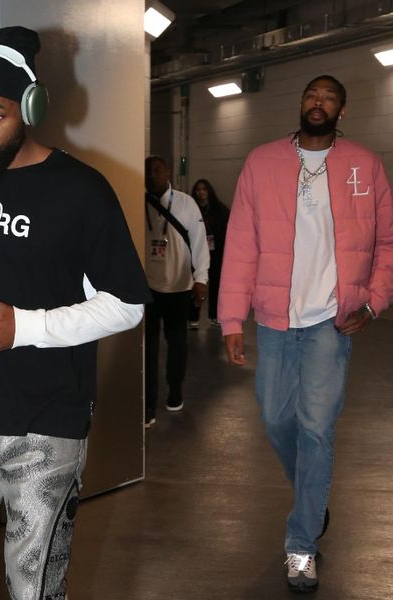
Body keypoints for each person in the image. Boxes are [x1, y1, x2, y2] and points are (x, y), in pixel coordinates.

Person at [0, 26, 151, 600]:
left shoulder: (81, 191)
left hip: (49, 418)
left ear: (30, 106)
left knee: (34, 586)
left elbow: (126, 304)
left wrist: (25, 327)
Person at [219, 75, 393, 593]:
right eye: (311, 95)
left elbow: (388, 241)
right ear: (301, 104)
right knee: (275, 419)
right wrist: (232, 318)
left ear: (342, 110)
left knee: (317, 429)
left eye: (329, 97)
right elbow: (241, 244)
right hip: (274, 319)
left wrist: (374, 300)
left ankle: (301, 544)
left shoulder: (365, 166)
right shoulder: (261, 161)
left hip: (329, 322)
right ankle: (313, 500)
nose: (318, 102)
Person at [144, 156, 209, 426]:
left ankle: (175, 389)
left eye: (156, 170)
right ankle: (147, 405)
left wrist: (201, 279)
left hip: (179, 286)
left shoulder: (185, 203)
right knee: (147, 347)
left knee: (177, 343)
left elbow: (199, 242)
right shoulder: (138, 202)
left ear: (168, 172)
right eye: (148, 171)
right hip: (147, 286)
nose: (151, 175)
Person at [187, 179, 230, 329]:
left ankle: (215, 315)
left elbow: (228, 227)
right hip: (196, 251)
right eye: (198, 189)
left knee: (216, 285)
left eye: (204, 189)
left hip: (216, 252)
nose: (201, 192)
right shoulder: (191, 208)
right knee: (197, 283)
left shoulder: (219, 209)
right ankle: (193, 317)